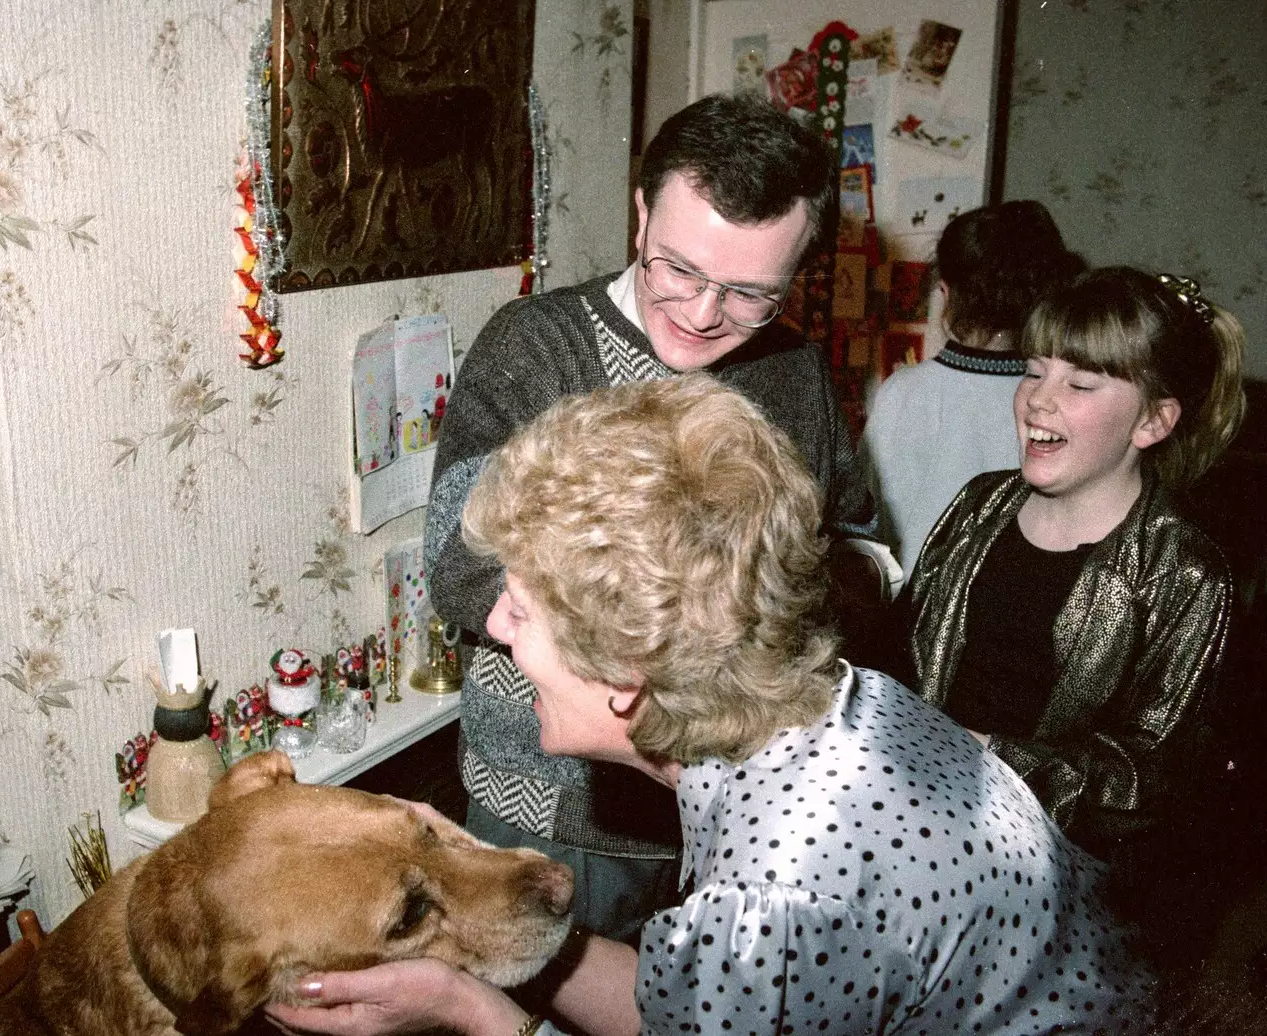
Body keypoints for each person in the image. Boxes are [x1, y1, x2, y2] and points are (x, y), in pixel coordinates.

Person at [271, 375, 1153, 1036]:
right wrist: (500, 946)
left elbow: (749, 967)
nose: (495, 624)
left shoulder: (779, 902)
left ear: (627, 673)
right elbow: (695, 1006)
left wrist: (467, 1011)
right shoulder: (851, 709)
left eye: (523, 607)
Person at [424, 92, 876, 942]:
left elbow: (854, 541)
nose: (705, 316)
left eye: (751, 294)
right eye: (680, 270)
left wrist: (835, 584)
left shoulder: (794, 370)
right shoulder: (534, 348)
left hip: (737, 804)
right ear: (640, 216)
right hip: (553, 807)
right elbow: (460, 572)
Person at [901, 267, 1246, 943]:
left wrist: (988, 756)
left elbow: (1148, 778)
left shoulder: (1186, 573)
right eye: (1033, 372)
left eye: (1080, 384)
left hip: (1054, 888)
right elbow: (901, 652)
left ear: (1153, 420)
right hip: (920, 827)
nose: (1038, 400)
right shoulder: (980, 506)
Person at [860, 201, 1086, 575]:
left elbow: (869, 520)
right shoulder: (1055, 400)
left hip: (912, 607)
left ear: (946, 295)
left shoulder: (903, 391)